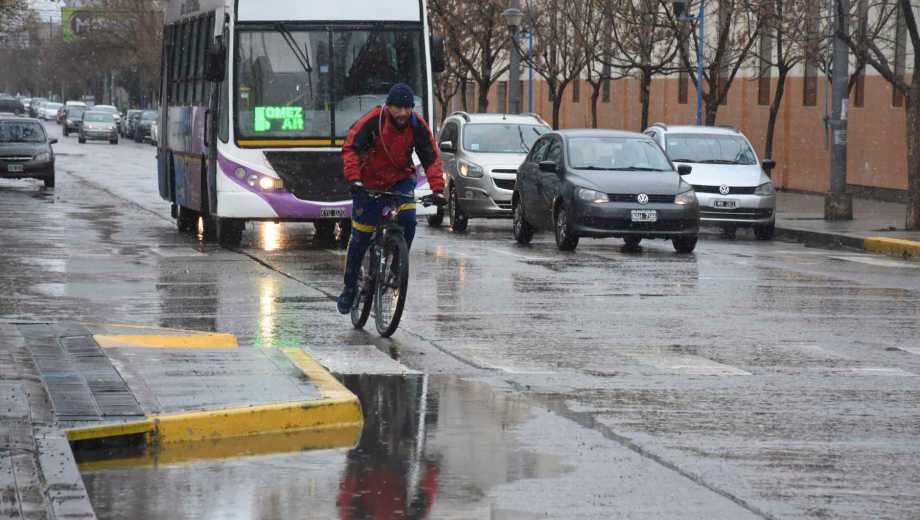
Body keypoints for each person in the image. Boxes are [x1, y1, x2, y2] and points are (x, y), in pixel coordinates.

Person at [337, 84, 446, 314]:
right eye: (398, 108)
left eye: (407, 108)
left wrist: (438, 189)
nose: (403, 113)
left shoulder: (417, 126)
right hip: (368, 182)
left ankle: (398, 264)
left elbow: (431, 157)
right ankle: (349, 288)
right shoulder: (373, 121)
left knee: (408, 220)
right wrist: (355, 179)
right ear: (389, 107)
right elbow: (350, 148)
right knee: (360, 238)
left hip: (400, 180)